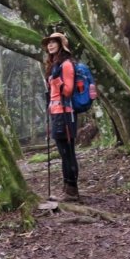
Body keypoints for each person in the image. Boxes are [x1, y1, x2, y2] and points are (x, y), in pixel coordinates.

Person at [43, 31, 80, 201]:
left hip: (66, 114)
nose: (50, 45)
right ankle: (68, 187)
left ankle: (71, 190)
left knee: (67, 152)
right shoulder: (55, 65)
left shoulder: (66, 65)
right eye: (48, 43)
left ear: (61, 44)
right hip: (57, 113)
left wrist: (56, 81)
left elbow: (68, 90)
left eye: (53, 42)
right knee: (63, 151)